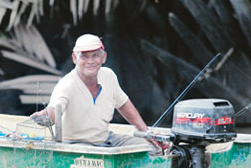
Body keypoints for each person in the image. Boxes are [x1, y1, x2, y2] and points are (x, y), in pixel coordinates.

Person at [31, 34, 160, 151]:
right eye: (84, 56)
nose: (90, 61)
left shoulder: (108, 75)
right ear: (74, 58)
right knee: (94, 155)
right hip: (75, 144)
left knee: (151, 148)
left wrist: (146, 132)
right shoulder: (67, 84)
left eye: (95, 55)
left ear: (103, 57)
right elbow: (54, 110)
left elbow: (123, 104)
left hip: (106, 139)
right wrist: (45, 116)